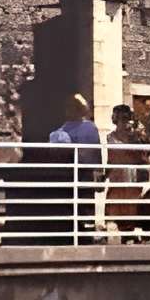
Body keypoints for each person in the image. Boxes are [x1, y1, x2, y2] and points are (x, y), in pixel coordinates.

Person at [49, 93, 103, 243]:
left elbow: (96, 150)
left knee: (84, 203)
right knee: (77, 203)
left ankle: (85, 232)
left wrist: (98, 170)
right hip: (74, 170)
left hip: (83, 171)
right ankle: (78, 232)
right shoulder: (63, 131)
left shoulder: (89, 128)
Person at [105, 104, 150, 238]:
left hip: (133, 179)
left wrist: (141, 135)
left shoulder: (137, 137)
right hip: (118, 179)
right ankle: (125, 236)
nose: (124, 122)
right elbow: (111, 159)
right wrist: (105, 175)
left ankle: (133, 235)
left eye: (127, 118)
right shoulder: (110, 138)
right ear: (115, 119)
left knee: (133, 209)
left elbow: (147, 153)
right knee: (118, 210)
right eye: (121, 119)